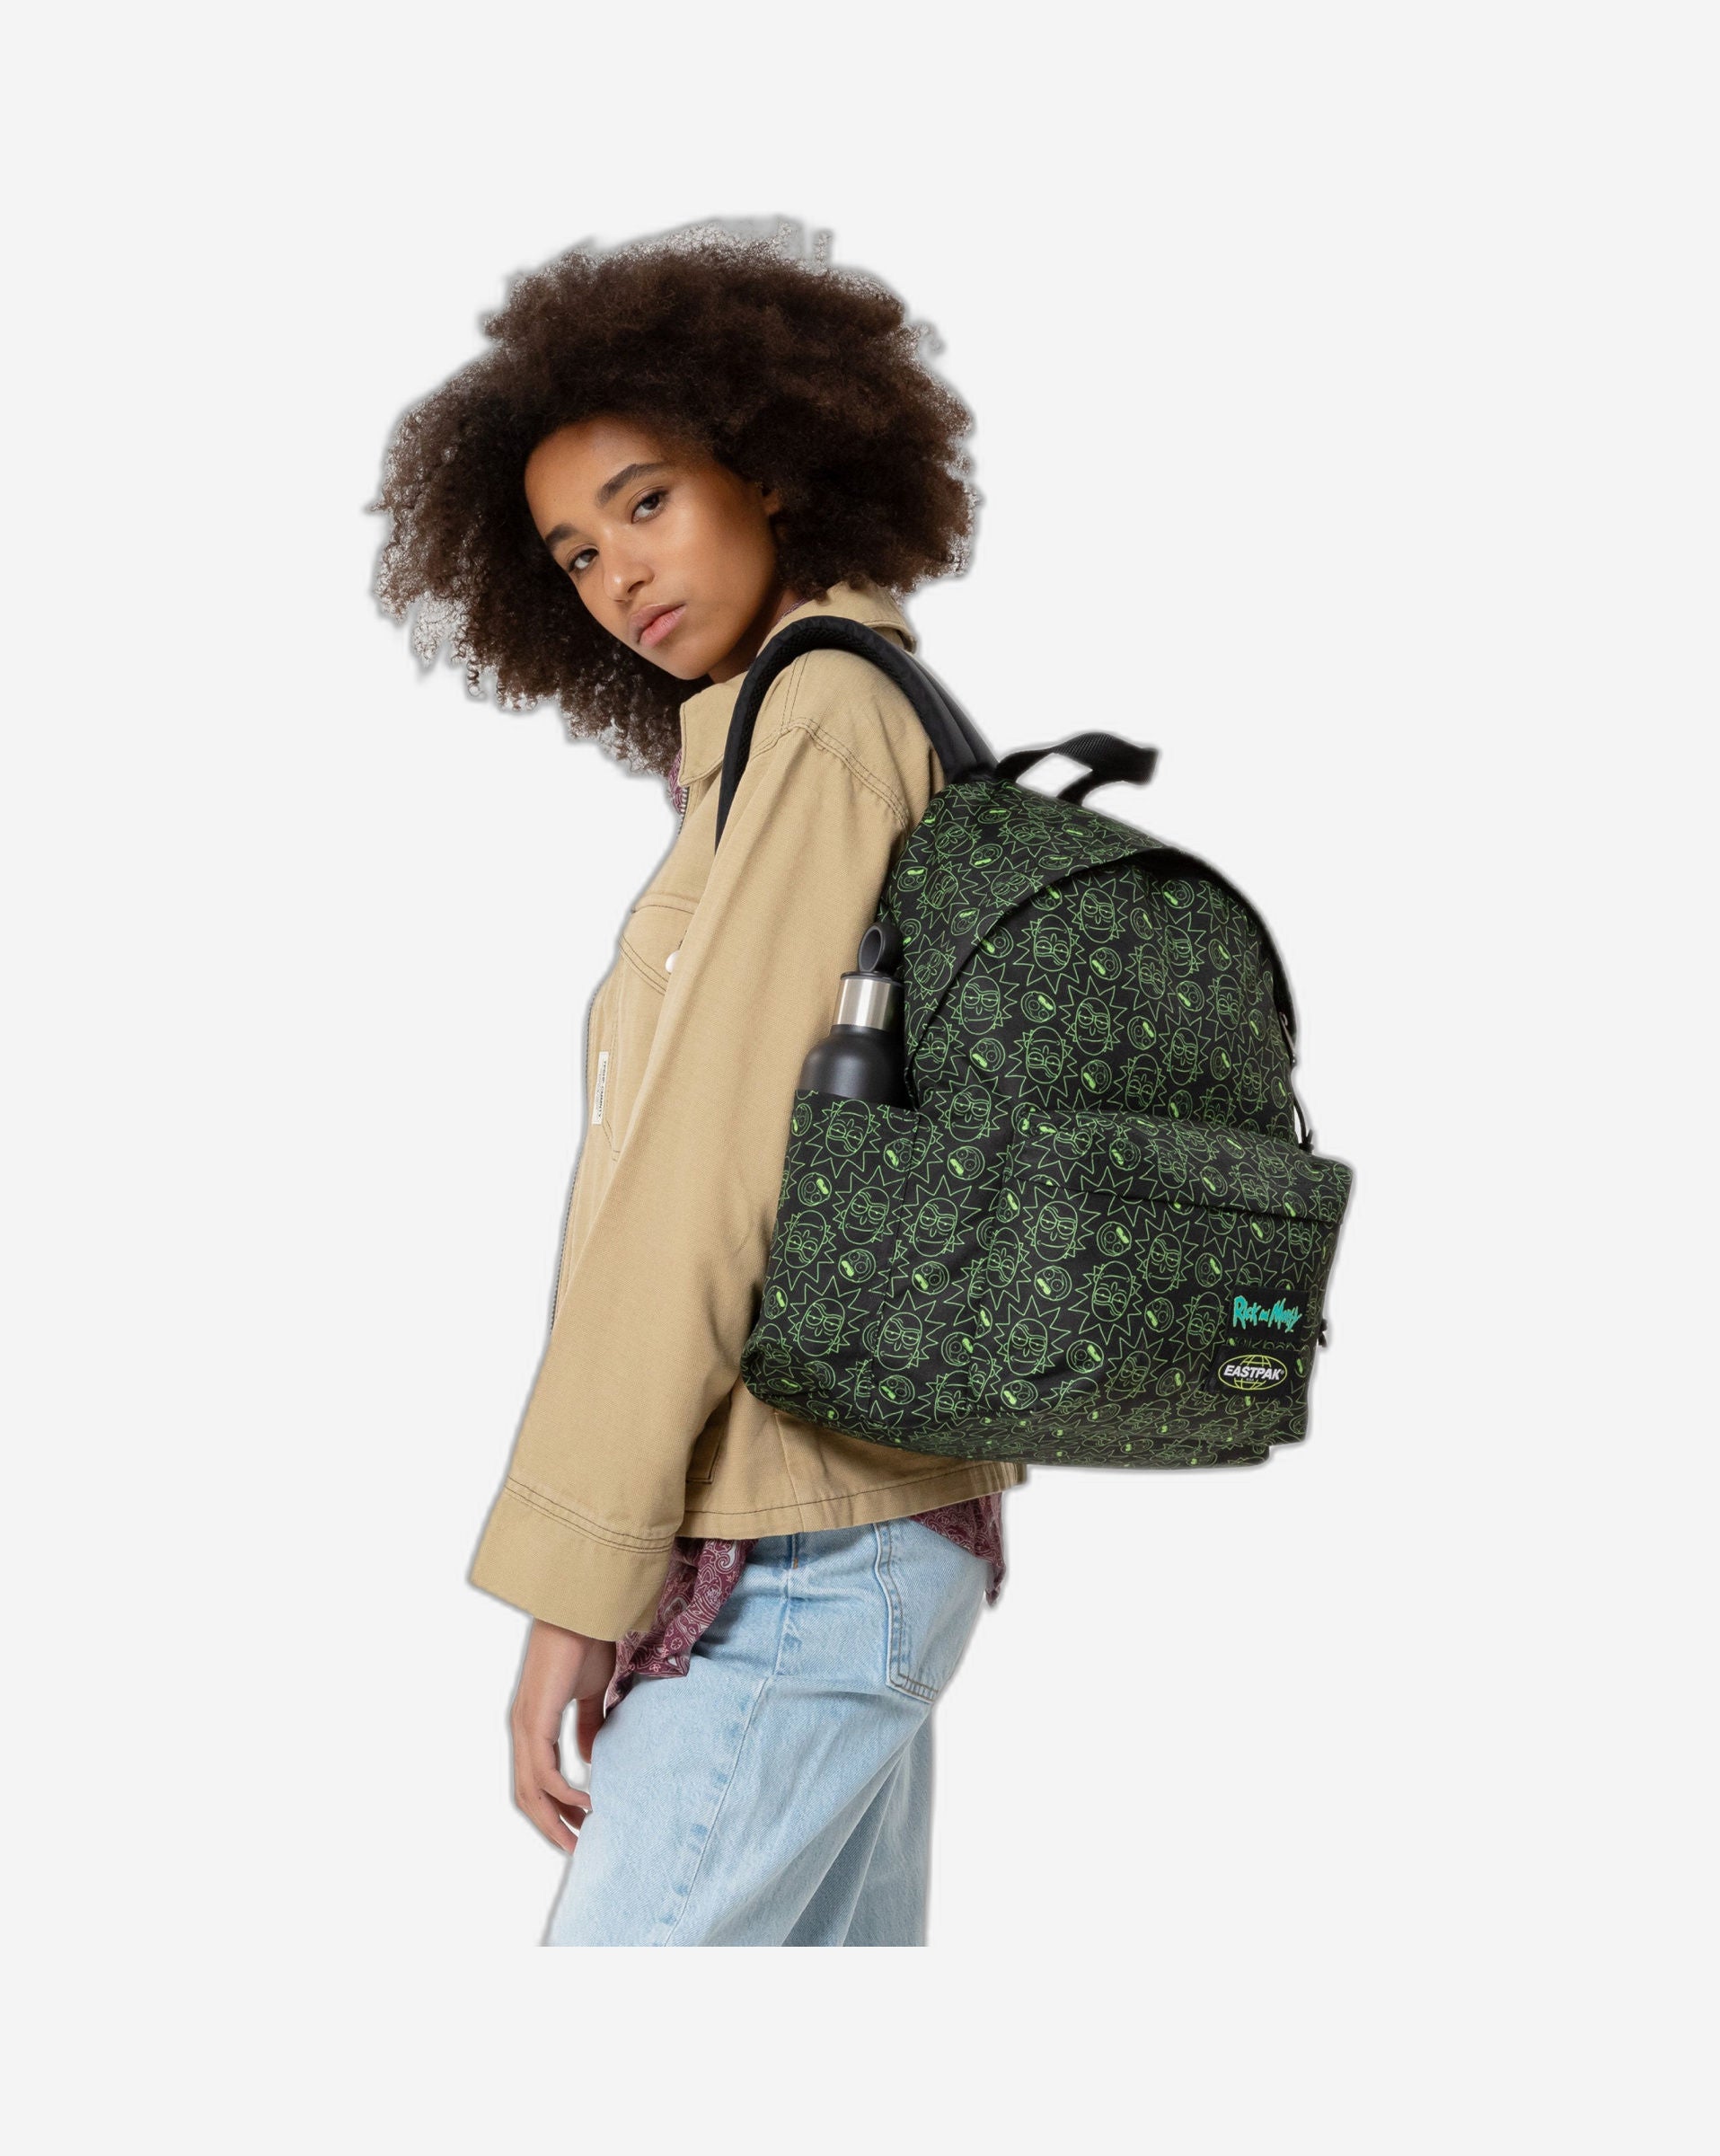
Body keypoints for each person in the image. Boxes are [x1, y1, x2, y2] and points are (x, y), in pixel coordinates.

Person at [369, 221, 1024, 1946]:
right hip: (865, 1526)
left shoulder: (816, 726)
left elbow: (708, 1180)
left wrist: (572, 1582)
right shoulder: (809, 724)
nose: (618, 577)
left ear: (773, 467)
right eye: (577, 553)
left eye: (646, 502)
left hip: (795, 1559)